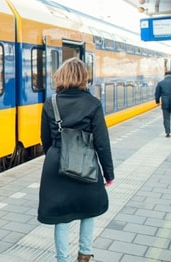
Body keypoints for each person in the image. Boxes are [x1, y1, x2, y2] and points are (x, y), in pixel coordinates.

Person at [38, 57, 115, 262]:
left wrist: (57, 156)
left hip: (56, 164)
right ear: (84, 78)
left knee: (61, 215)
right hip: (86, 163)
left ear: (61, 77)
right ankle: (84, 254)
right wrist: (109, 174)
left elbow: (45, 138)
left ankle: (62, 259)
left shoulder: (50, 103)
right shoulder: (93, 104)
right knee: (88, 208)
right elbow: (102, 142)